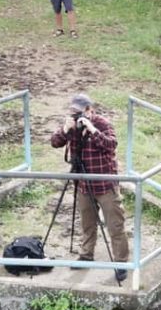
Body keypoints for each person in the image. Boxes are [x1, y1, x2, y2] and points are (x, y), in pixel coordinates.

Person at [50, 93, 129, 283]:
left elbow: (111, 145)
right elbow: (55, 142)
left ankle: (121, 262)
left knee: (115, 225)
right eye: (73, 111)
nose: (77, 115)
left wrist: (92, 129)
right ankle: (86, 255)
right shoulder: (72, 125)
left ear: (89, 110)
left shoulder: (102, 123)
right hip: (84, 184)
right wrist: (65, 129)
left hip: (105, 183)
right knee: (87, 223)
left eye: (80, 112)